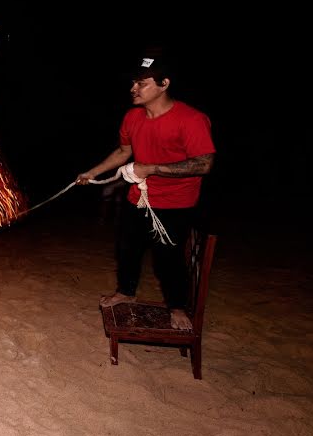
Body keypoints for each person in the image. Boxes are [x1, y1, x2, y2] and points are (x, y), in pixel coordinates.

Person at [77, 56, 215, 330]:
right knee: (127, 248)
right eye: (133, 82)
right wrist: (92, 173)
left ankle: (177, 307)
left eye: (142, 83)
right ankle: (126, 291)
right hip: (138, 197)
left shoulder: (191, 119)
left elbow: (204, 163)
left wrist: (152, 168)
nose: (134, 88)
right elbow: (124, 152)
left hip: (175, 202)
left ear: (164, 84)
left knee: (167, 258)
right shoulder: (132, 116)